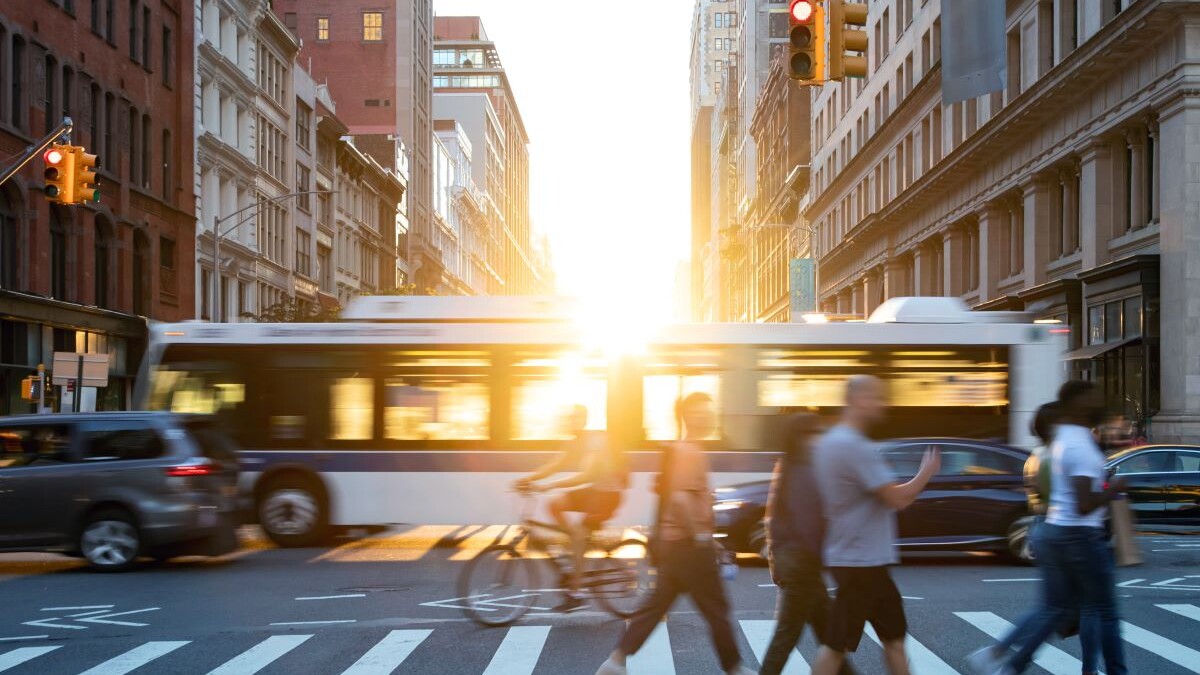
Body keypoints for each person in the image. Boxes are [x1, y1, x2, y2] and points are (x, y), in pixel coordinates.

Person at [974, 381, 1128, 675]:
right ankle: (1093, 670)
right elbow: (1082, 502)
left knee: (1054, 609)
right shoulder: (1075, 446)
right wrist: (1112, 488)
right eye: (1094, 399)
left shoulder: (1047, 452)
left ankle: (1009, 661)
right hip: (1075, 532)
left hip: (1051, 530)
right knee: (1098, 610)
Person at [595, 392, 753, 675]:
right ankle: (735, 669)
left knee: (656, 606)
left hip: (676, 545)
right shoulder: (689, 452)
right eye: (700, 412)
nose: (707, 416)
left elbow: (688, 499)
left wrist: (708, 538)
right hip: (688, 546)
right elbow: (680, 499)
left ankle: (615, 661)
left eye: (709, 411)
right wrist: (701, 536)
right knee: (717, 610)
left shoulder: (687, 449)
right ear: (688, 416)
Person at [810, 375, 941, 675]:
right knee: (836, 645)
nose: (883, 404)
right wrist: (926, 472)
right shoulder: (854, 446)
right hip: (861, 561)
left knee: (893, 638)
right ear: (858, 399)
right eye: (877, 397)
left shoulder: (829, 442)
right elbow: (898, 498)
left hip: (861, 558)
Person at [969, 401, 1076, 674]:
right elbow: (1067, 500)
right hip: (1060, 530)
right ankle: (1008, 659)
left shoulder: (1036, 455)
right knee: (1057, 609)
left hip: (1041, 528)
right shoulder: (1056, 456)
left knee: (1051, 607)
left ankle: (1003, 655)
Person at [760, 412, 855, 675]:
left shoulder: (790, 465)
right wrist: (830, 561)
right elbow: (807, 523)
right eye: (813, 433)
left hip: (797, 562)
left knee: (827, 633)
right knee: (787, 635)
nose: (818, 438)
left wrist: (776, 561)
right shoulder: (804, 468)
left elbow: (773, 520)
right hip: (804, 563)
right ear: (801, 437)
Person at [514, 404, 628, 611]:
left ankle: (576, 593)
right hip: (595, 491)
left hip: (609, 495)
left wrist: (550, 485)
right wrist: (528, 479)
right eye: (569, 419)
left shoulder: (595, 442)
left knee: (578, 539)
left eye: (575, 418)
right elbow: (554, 465)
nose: (571, 422)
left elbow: (587, 476)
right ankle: (575, 539)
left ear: (584, 420)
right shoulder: (574, 443)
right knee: (555, 505)